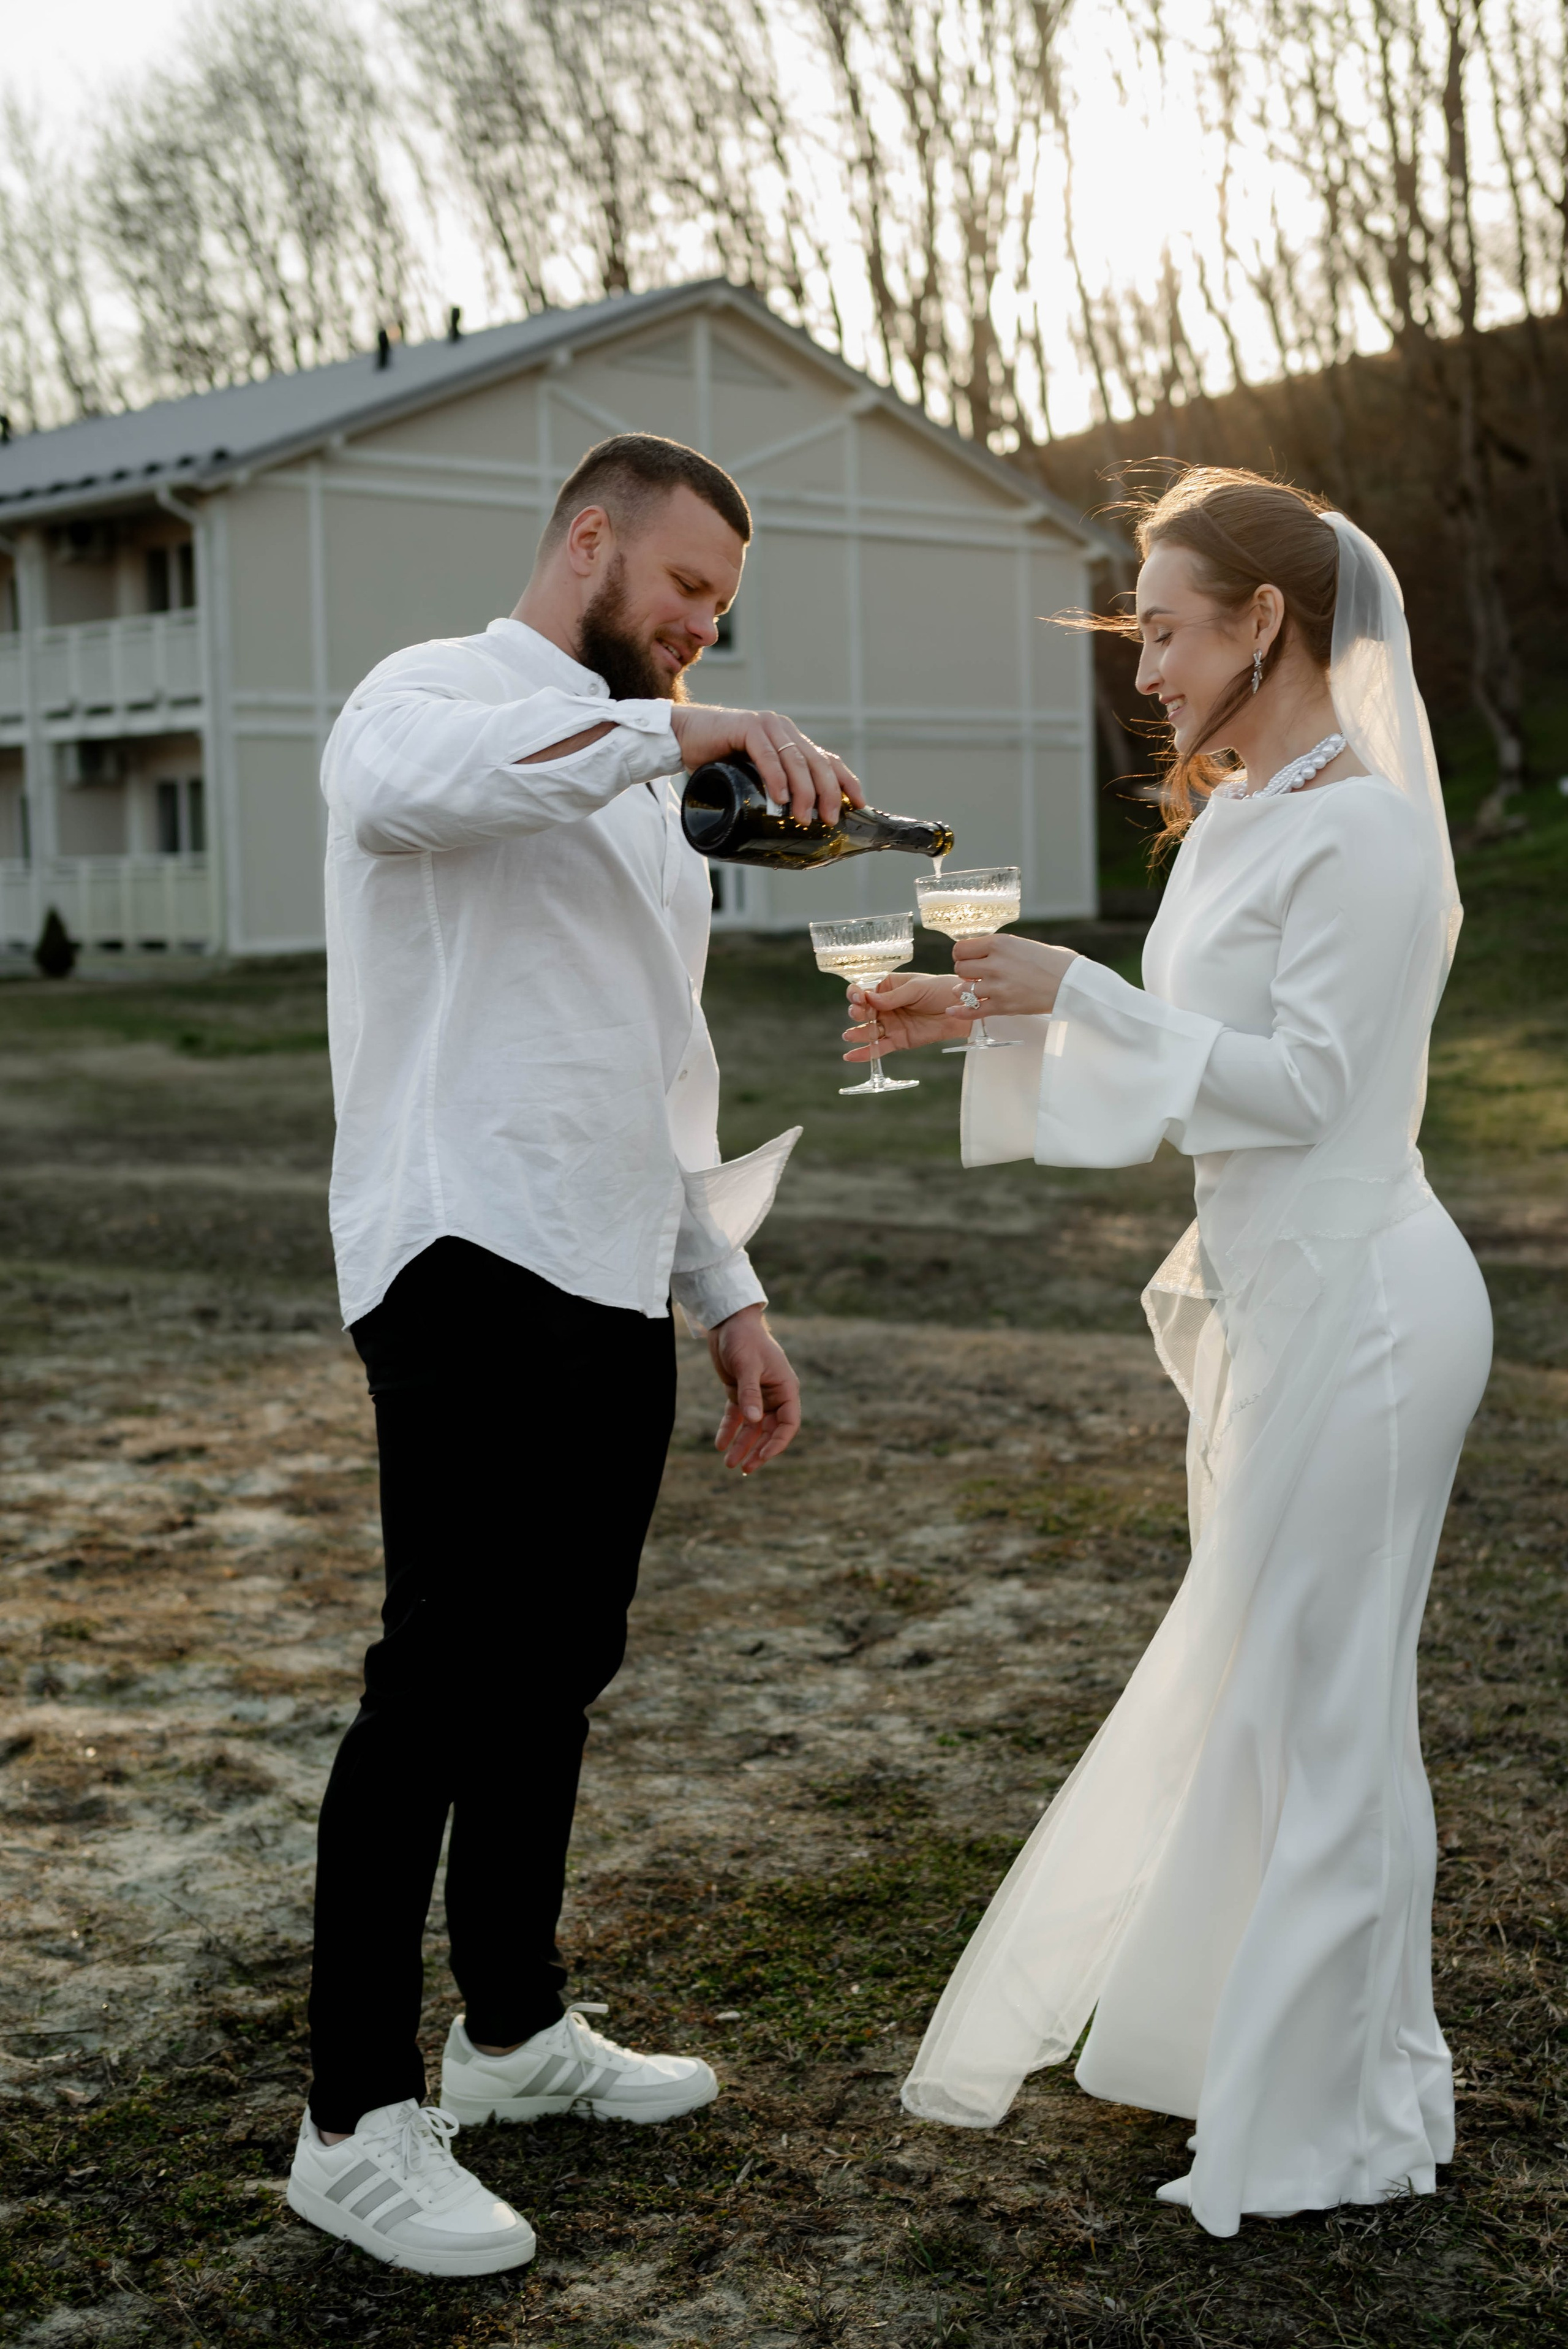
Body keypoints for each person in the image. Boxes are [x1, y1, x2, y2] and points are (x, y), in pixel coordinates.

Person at [846, 469, 1491, 2237]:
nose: (1144, 669)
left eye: (1168, 626)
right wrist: (975, 1000)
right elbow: (1179, 1059)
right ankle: (1257, 2048)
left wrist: (1071, 988)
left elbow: (1306, 1087)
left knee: (1327, 1702)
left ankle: (1330, 2113)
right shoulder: (1236, 818)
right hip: (1272, 1302)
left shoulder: (1365, 826)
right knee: (1278, 1696)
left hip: (1367, 1304)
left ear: (1267, 620)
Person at [286, 433, 860, 2277]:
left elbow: (655, 1057)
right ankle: (353, 2116)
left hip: (615, 1266)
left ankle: (515, 2031)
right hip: (462, 1245)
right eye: (686, 589)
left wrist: (729, 1296)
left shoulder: (648, 776)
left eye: (720, 614)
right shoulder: (429, 694)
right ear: (590, 540)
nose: (700, 631)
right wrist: (673, 732)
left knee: (561, 1665)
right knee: (443, 1673)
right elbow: (418, 796)